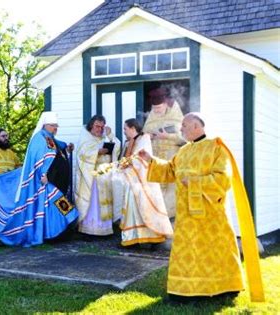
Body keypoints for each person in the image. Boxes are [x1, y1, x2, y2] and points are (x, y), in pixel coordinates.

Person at [138, 112, 264, 302]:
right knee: (187, 253)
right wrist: (150, 160)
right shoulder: (184, 150)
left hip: (211, 216)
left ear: (197, 126)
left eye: (184, 125)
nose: (181, 129)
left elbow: (223, 179)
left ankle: (224, 287)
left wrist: (195, 182)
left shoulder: (216, 147)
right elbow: (171, 171)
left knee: (216, 251)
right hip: (187, 215)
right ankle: (185, 290)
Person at [0, 112, 78, 246]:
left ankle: (60, 232)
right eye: (53, 125)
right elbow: (39, 158)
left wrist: (66, 146)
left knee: (56, 205)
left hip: (53, 179)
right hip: (45, 181)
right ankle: (54, 234)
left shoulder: (49, 137)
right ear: (45, 125)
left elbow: (57, 145)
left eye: (56, 125)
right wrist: (43, 174)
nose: (56, 128)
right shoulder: (39, 138)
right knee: (58, 203)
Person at [112, 118, 173, 246]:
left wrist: (126, 164)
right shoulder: (129, 142)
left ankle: (154, 240)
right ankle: (132, 239)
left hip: (144, 183)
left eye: (125, 128)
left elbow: (142, 160)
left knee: (146, 210)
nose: (124, 131)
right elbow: (126, 158)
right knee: (133, 211)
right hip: (132, 181)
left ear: (133, 128)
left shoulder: (144, 139)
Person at [75, 115, 121, 236]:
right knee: (93, 204)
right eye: (97, 126)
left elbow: (117, 147)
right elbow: (82, 154)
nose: (99, 129)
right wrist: (97, 152)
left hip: (104, 177)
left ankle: (104, 230)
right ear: (91, 125)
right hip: (91, 178)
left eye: (102, 127)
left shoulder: (104, 137)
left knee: (104, 204)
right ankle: (89, 230)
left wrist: (110, 135)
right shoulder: (85, 137)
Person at [142, 87, 184, 218]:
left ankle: (170, 219)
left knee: (171, 190)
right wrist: (149, 135)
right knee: (155, 189)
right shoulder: (152, 116)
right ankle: (158, 220)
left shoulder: (177, 116)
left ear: (166, 105)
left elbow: (185, 139)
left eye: (159, 108)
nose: (156, 111)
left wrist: (168, 136)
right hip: (155, 158)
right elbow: (144, 133)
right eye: (154, 109)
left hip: (171, 159)